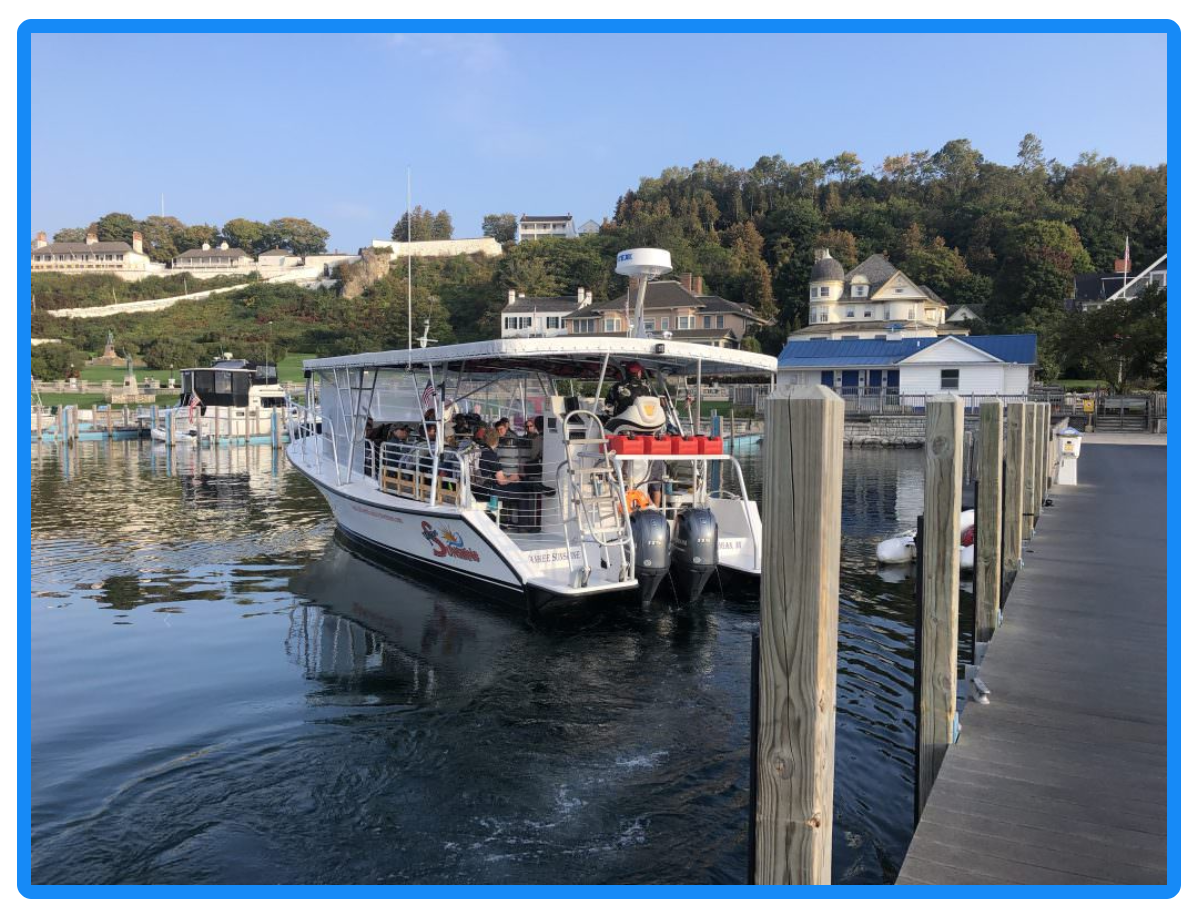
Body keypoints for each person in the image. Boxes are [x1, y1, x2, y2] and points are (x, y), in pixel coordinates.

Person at [475, 429, 553, 531]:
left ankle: (535, 485)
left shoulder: (481, 451)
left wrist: (512, 478)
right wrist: (512, 478)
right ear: (496, 440)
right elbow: (502, 481)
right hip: (491, 489)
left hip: (479, 488)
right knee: (524, 492)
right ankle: (524, 527)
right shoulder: (491, 455)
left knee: (520, 480)